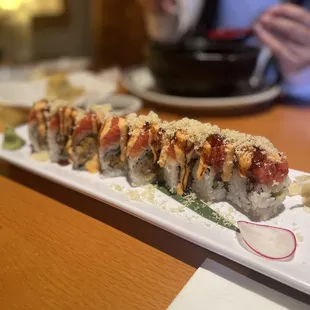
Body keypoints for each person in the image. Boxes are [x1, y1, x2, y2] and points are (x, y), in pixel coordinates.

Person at [137, 0, 310, 100]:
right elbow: (173, 31)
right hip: (192, 99)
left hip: (286, 111)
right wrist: (160, 12)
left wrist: (304, 72)